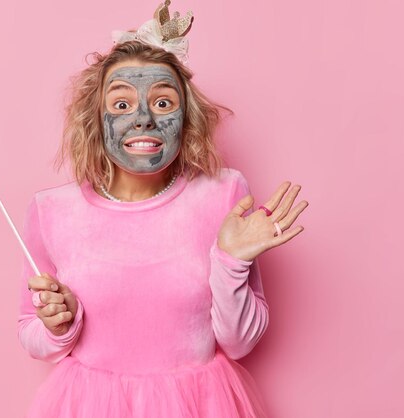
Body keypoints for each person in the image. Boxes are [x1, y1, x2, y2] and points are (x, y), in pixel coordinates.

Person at [17, 3, 308, 417]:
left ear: (186, 117)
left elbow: (240, 344)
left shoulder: (225, 193)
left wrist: (232, 262)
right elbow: (30, 333)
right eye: (120, 105)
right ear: (96, 120)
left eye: (163, 103)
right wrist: (58, 325)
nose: (143, 120)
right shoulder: (52, 211)